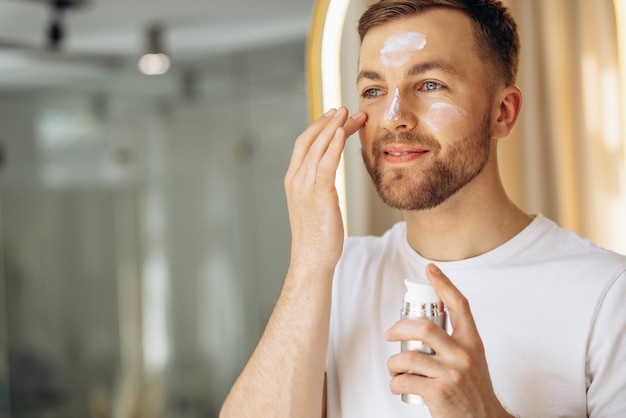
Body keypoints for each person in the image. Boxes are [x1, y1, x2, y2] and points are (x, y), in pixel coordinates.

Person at [220, 0, 626, 417]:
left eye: (430, 84)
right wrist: (308, 260)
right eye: (374, 91)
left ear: (502, 113)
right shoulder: (337, 275)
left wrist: (482, 411)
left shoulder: (610, 296)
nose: (395, 117)